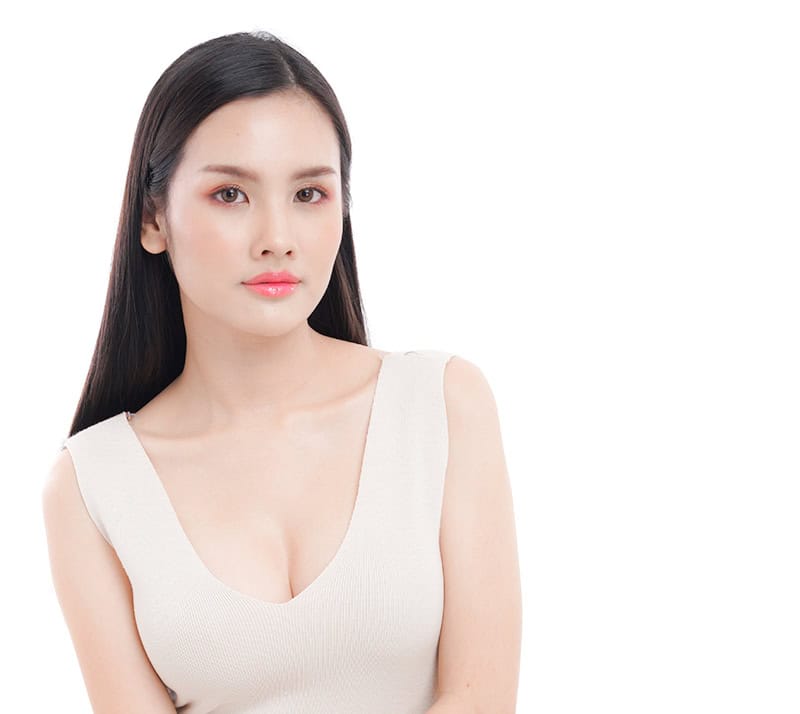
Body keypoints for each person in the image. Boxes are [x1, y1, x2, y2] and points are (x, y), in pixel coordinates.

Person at [41, 30, 521, 713]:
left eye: (309, 194)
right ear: (153, 219)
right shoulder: (92, 485)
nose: (277, 238)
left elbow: (480, 698)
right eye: (230, 194)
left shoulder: (442, 407)